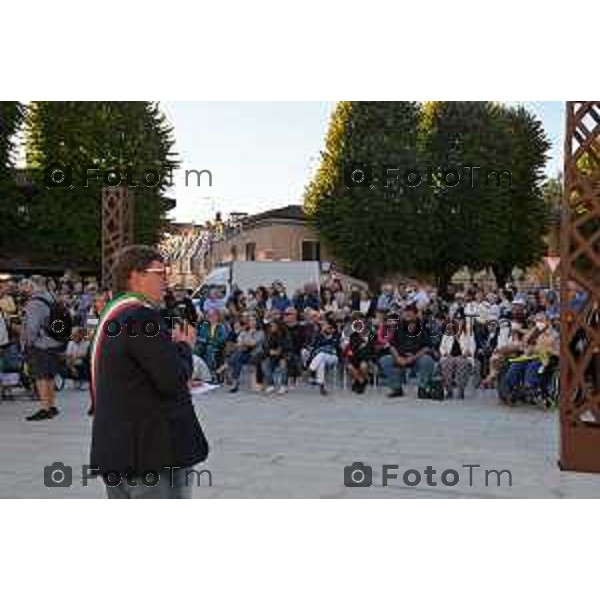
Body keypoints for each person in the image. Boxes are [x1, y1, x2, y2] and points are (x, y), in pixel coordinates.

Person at [90, 245, 209, 499]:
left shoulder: (113, 315)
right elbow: (172, 379)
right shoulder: (142, 317)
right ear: (135, 276)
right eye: (160, 273)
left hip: (120, 446)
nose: (167, 281)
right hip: (152, 450)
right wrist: (184, 347)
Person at [21, 276, 67, 421]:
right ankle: (52, 406)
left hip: (41, 344)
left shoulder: (34, 303)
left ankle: (44, 408)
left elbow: (33, 328)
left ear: (34, 285)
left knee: (41, 376)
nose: (24, 288)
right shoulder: (51, 297)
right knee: (50, 376)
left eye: (27, 284)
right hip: (55, 341)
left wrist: (28, 341)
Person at [380, 303, 436, 398]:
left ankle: (422, 388)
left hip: (417, 356)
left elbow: (427, 347)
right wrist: (397, 358)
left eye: (410, 313)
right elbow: (392, 345)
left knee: (427, 361)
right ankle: (396, 388)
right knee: (385, 360)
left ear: (415, 314)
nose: (407, 315)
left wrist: (412, 358)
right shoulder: (399, 326)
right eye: (405, 313)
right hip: (401, 356)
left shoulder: (423, 326)